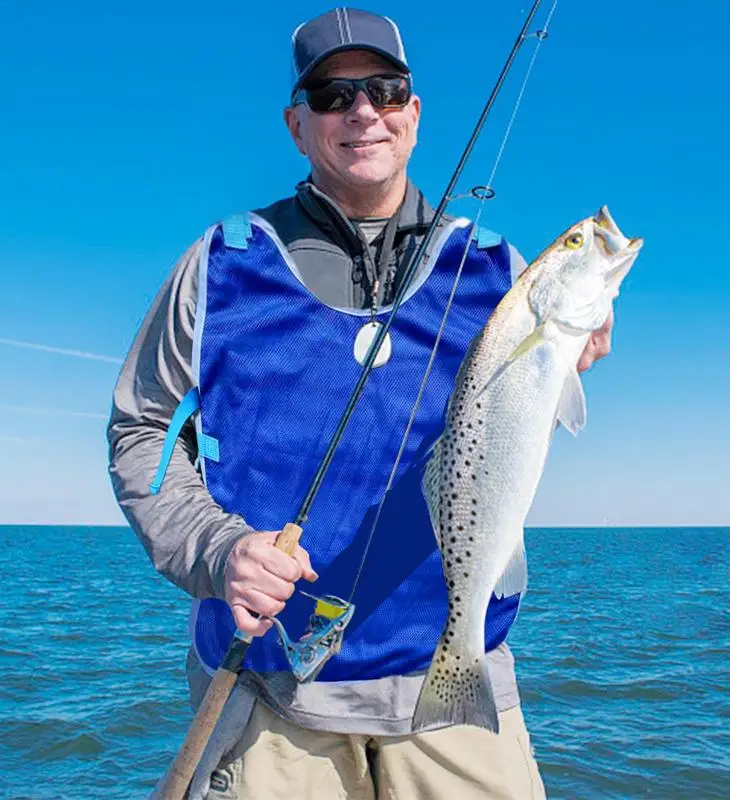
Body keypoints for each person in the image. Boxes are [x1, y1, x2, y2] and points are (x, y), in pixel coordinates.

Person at [108, 8, 613, 799]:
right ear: (296, 123)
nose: (363, 112)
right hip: (268, 688)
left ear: (414, 112)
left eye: (386, 89)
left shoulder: (503, 273)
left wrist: (571, 349)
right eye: (333, 94)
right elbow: (141, 428)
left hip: (455, 684)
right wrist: (216, 549)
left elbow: (518, 426)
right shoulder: (219, 263)